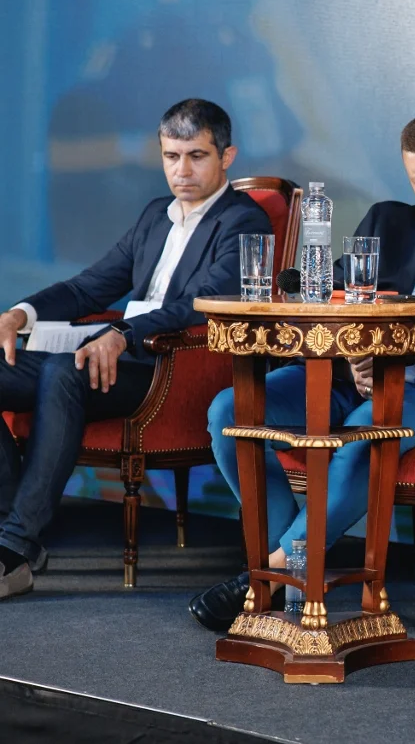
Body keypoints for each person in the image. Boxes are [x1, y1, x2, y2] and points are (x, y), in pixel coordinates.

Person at [189, 108, 415, 630]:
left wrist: (402, 351)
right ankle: (292, 571)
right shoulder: (388, 222)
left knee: (368, 430)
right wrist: (350, 352)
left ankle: (269, 575)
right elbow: (334, 298)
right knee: (229, 411)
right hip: (346, 378)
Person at [0, 98, 272, 600]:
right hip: (114, 358)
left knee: (63, 372)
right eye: (171, 156)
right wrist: (20, 313)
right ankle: (7, 526)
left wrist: (123, 333)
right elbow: (89, 286)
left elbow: (200, 305)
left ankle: (14, 548)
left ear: (226, 157)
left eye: (197, 156)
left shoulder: (244, 222)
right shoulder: (155, 215)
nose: (182, 170)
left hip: (168, 371)